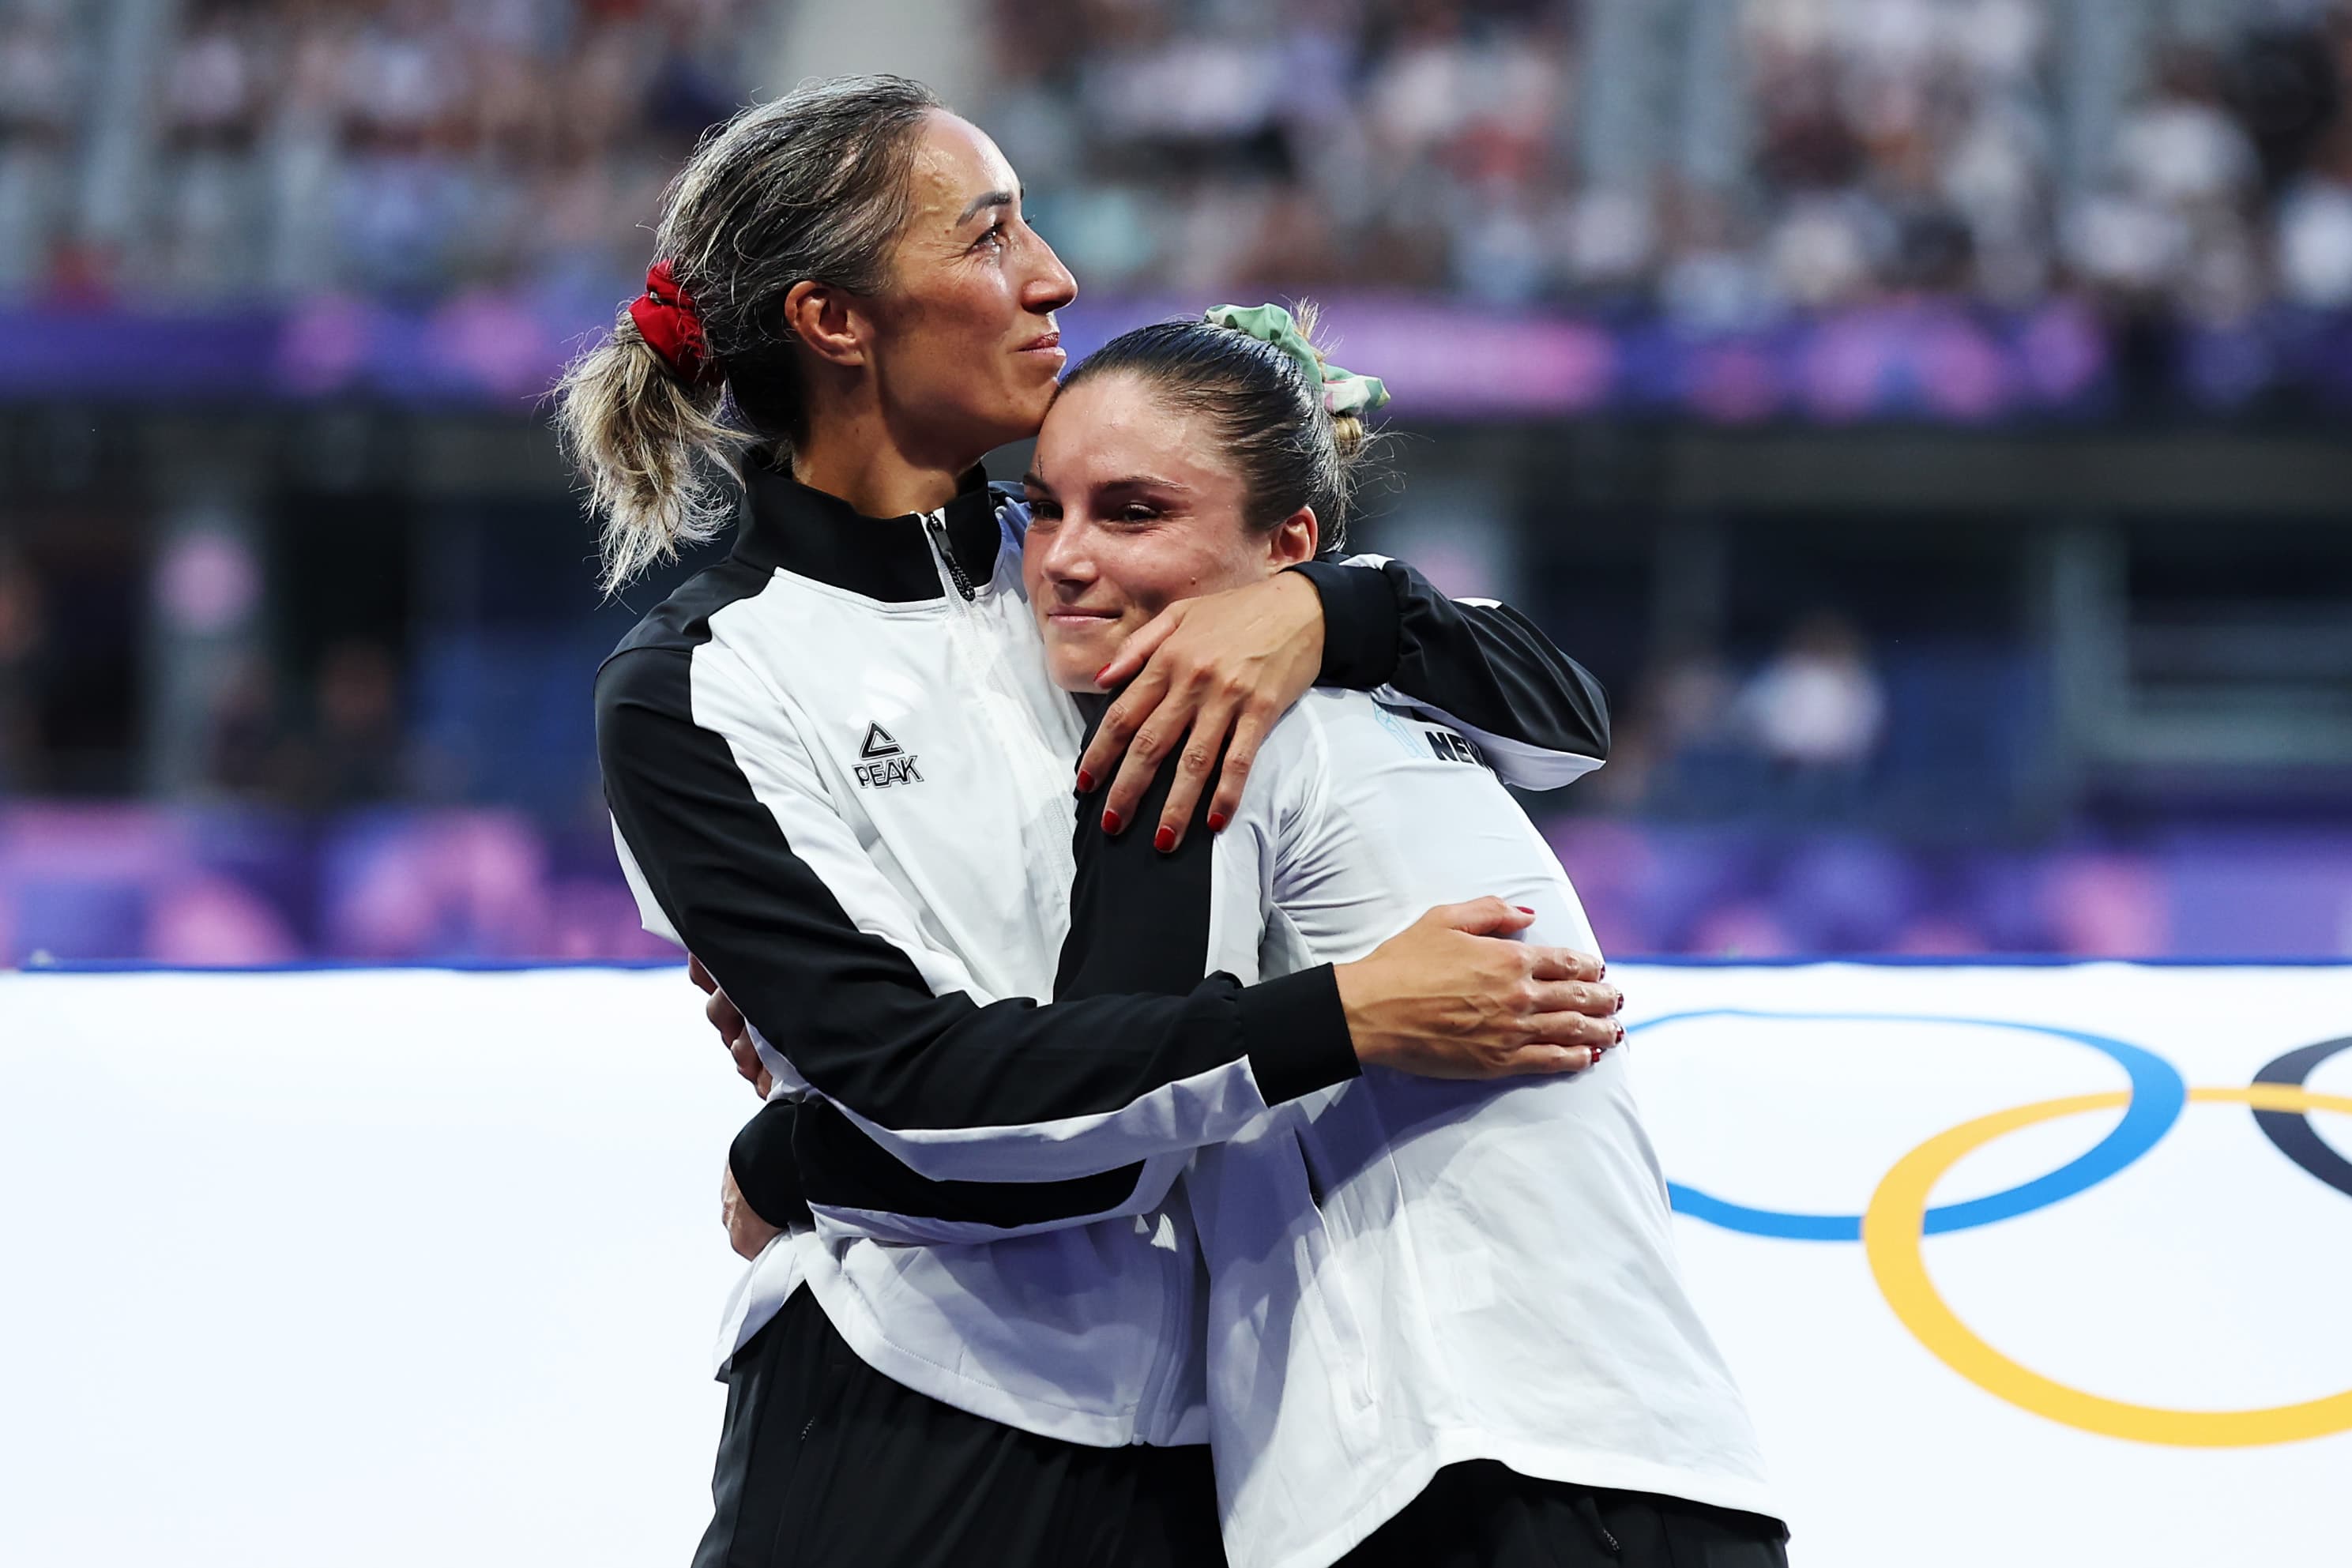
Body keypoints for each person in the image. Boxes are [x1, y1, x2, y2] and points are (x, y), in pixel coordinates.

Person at [562, 77, 1622, 1568]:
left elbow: (1559, 719)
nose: (1054, 274)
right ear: (835, 320)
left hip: (1220, 1452)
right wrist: (1349, 1015)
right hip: (901, 1422)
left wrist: (1319, 608)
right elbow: (919, 1084)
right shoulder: (699, 682)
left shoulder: (1084, 556)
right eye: (990, 234)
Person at [774, 306, 1787, 1568]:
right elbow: (1566, 721)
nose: (1065, 559)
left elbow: (1097, 1141)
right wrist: (1326, 607)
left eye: (1134, 513)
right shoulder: (1415, 699)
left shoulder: (1202, 728)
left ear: (1287, 541)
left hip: (1454, 1469)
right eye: (1044, 508)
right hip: (1646, 1453)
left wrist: (797, 1157)